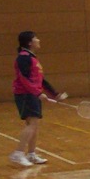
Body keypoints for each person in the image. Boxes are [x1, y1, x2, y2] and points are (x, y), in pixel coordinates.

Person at [10, 30, 64, 167]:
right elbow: (24, 79)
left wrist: (54, 93)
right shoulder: (23, 57)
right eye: (36, 38)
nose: (39, 40)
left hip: (31, 94)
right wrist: (37, 93)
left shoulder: (32, 58)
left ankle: (31, 154)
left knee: (34, 124)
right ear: (29, 42)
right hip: (25, 94)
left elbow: (40, 80)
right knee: (32, 124)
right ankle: (18, 153)